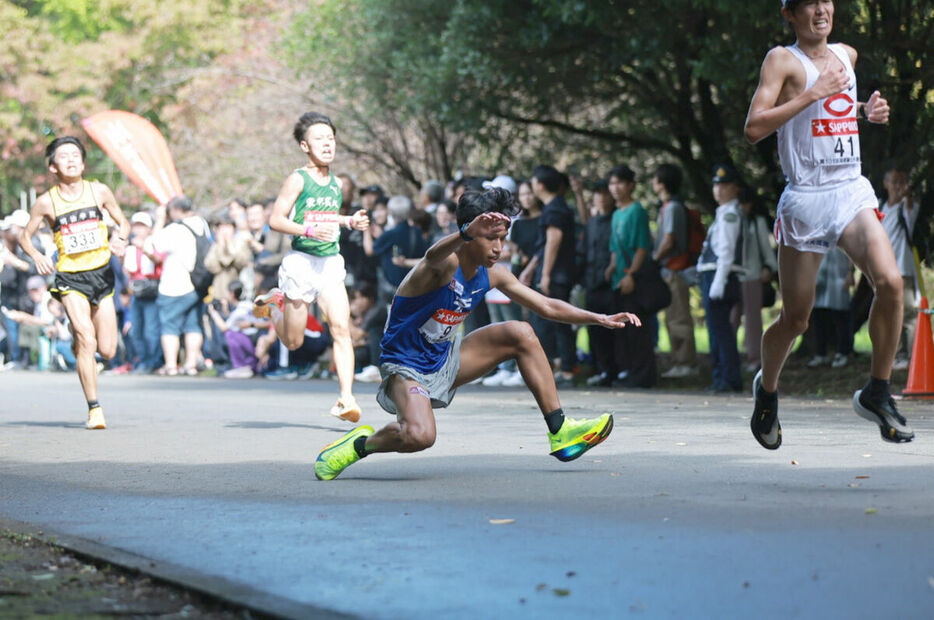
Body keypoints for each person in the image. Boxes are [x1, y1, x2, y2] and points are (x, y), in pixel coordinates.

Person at [312, 187, 640, 480]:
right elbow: (431, 257)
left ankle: (560, 430)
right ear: (469, 234)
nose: (499, 248)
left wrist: (599, 318)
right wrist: (465, 234)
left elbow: (547, 306)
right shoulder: (442, 266)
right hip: (406, 368)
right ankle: (359, 445)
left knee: (521, 332)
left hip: (445, 360)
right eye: (490, 238)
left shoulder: (491, 274)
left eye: (502, 238)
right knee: (420, 436)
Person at [744, 0, 912, 448]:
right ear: (790, 14)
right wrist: (811, 93)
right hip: (805, 198)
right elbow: (754, 127)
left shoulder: (847, 56)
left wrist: (862, 111)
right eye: (810, 5)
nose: (822, 10)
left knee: (892, 284)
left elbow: (829, 112)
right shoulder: (782, 60)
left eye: (826, 2)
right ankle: (768, 390)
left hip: (850, 190)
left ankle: (877, 391)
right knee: (796, 319)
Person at [252, 111, 370, 421]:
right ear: (305, 146)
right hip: (301, 262)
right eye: (320, 139)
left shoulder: (335, 182)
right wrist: (307, 230)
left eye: (331, 139)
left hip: (329, 262)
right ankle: (275, 305)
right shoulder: (298, 178)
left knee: (341, 329)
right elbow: (275, 220)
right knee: (294, 341)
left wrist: (349, 221)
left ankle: (346, 397)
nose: (328, 144)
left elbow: (326, 218)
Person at [19, 136, 130, 429]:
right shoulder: (46, 202)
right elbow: (24, 237)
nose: (71, 159)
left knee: (107, 350)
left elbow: (123, 222)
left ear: (83, 162)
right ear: (53, 167)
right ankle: (95, 409)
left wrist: (120, 237)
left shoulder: (99, 191)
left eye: (75, 154)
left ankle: (77, 336)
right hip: (70, 278)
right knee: (85, 337)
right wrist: (37, 256)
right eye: (63, 156)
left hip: (102, 275)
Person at [519, 165, 578, 386]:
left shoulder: (555, 209)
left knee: (560, 322)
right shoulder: (553, 207)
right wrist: (531, 268)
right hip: (551, 273)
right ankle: (554, 369)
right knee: (546, 323)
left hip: (556, 275)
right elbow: (544, 246)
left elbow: (554, 241)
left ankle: (568, 370)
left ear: (540, 185)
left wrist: (545, 274)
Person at [606, 165, 658, 387]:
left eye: (620, 183)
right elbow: (616, 249)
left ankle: (643, 375)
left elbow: (641, 247)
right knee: (624, 330)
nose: (615, 188)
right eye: (612, 183)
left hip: (634, 279)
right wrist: (612, 268)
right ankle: (629, 372)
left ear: (631, 185)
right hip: (619, 279)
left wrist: (631, 275)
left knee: (639, 329)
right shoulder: (617, 213)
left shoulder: (637, 211)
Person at [147, 195, 209, 377]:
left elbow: (152, 244)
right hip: (197, 283)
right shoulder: (201, 224)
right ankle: (191, 365)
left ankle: (171, 365)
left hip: (174, 285)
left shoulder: (175, 229)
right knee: (193, 325)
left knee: (169, 327)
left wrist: (159, 220)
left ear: (174, 210)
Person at [697, 165, 745, 394]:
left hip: (720, 276)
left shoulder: (729, 214)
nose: (718, 189)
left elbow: (726, 251)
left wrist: (718, 281)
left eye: (724, 185)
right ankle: (721, 377)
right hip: (715, 274)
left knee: (721, 331)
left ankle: (728, 378)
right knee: (717, 330)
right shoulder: (724, 212)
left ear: (735, 188)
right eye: (716, 184)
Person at [651, 164, 698, 379]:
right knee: (672, 317)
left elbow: (669, 239)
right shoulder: (668, 206)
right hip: (670, 270)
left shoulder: (672, 208)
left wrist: (654, 259)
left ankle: (686, 362)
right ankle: (679, 360)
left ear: (662, 183)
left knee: (678, 317)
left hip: (675, 269)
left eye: (655, 179)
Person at [732, 187, 778, 373]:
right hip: (734, 276)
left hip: (752, 275)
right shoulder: (731, 220)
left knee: (752, 319)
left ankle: (755, 358)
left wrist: (768, 267)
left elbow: (766, 249)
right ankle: (730, 356)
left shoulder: (756, 222)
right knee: (732, 317)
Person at [878, 167, 918, 370]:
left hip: (904, 267)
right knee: (890, 313)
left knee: (909, 313)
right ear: (886, 184)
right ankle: (897, 355)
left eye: (901, 182)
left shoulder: (907, 206)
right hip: (885, 269)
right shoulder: (880, 207)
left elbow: (911, 211)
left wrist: (908, 195)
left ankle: (912, 357)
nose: (897, 186)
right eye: (894, 182)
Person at [123, 211, 162, 373]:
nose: (138, 230)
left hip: (151, 289)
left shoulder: (155, 243)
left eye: (142, 226)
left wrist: (144, 249)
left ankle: (153, 361)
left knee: (151, 329)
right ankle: (142, 360)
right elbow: (127, 270)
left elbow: (159, 260)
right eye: (136, 226)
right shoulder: (130, 247)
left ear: (149, 229)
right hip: (136, 291)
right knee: (136, 330)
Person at [806, 247, 853, 368]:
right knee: (818, 316)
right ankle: (820, 353)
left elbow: (852, 250)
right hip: (819, 276)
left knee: (841, 317)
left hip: (839, 274)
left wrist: (850, 272)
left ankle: (843, 352)